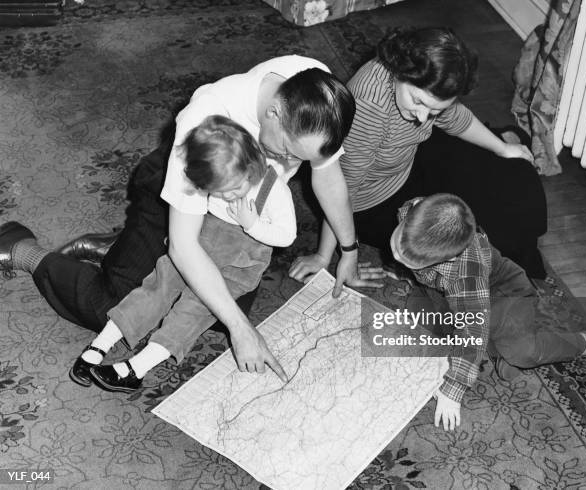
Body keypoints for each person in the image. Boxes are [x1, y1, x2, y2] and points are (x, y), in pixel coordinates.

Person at [0, 55, 381, 379]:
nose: (290, 162)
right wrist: (241, 328)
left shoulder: (318, 96)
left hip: (231, 218)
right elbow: (183, 247)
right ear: (274, 112)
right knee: (119, 309)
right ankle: (22, 249)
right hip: (180, 194)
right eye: (288, 150)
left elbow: (329, 177)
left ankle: (122, 246)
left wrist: (348, 249)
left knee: (211, 305)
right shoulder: (204, 120)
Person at [289, 27, 548, 285]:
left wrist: (502, 149)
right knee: (462, 240)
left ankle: (502, 145)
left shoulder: (425, 91)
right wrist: (331, 255)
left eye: (434, 110)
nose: (423, 117)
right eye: (418, 102)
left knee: (510, 172)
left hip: (408, 157)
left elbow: (455, 118)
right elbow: (342, 187)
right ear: (400, 71)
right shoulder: (369, 107)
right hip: (370, 201)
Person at [70, 115, 295, 391]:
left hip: (238, 263)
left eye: (235, 188)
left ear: (252, 166)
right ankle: (101, 343)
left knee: (193, 309)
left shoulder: (275, 190)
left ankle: (137, 369)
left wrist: (254, 224)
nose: (228, 197)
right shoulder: (215, 173)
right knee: (157, 285)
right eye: (219, 192)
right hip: (203, 241)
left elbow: (287, 236)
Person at [389, 193, 586, 432]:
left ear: (451, 257)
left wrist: (452, 391)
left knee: (523, 353)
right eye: (398, 242)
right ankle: (496, 350)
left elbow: (472, 330)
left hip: (504, 294)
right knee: (420, 323)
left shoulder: (467, 276)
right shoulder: (414, 210)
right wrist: (407, 270)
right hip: (450, 294)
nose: (395, 254)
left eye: (406, 257)